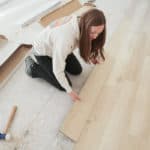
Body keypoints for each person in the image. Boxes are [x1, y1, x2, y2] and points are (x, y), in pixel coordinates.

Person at [25, 8, 106, 101]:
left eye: (98, 33)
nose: (95, 36)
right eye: (93, 32)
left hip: (56, 47)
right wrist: (69, 91)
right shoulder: (65, 39)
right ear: (85, 26)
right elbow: (58, 69)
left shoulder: (81, 22)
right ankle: (32, 68)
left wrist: (91, 55)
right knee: (64, 86)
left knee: (77, 70)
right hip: (42, 52)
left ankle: (52, 62)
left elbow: (82, 40)